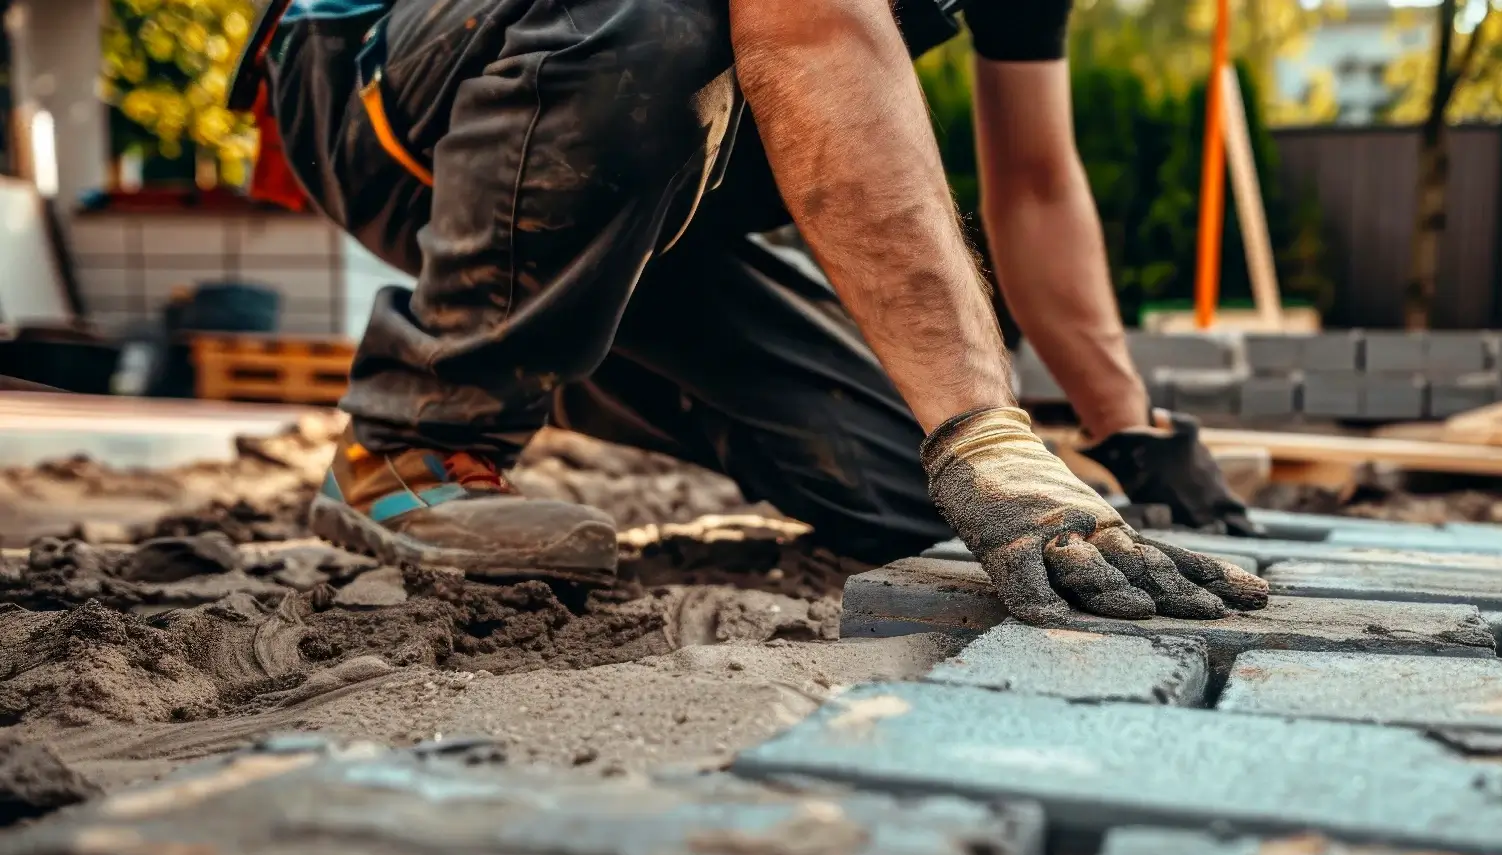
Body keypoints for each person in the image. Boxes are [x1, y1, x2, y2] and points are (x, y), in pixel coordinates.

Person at [237, 0, 1268, 625]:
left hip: (627, 155)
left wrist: (1128, 433)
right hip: (383, 73)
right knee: (647, 19)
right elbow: (812, 31)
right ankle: (413, 449)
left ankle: (567, 306)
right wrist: (984, 428)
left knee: (918, 501)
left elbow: (1037, 189)